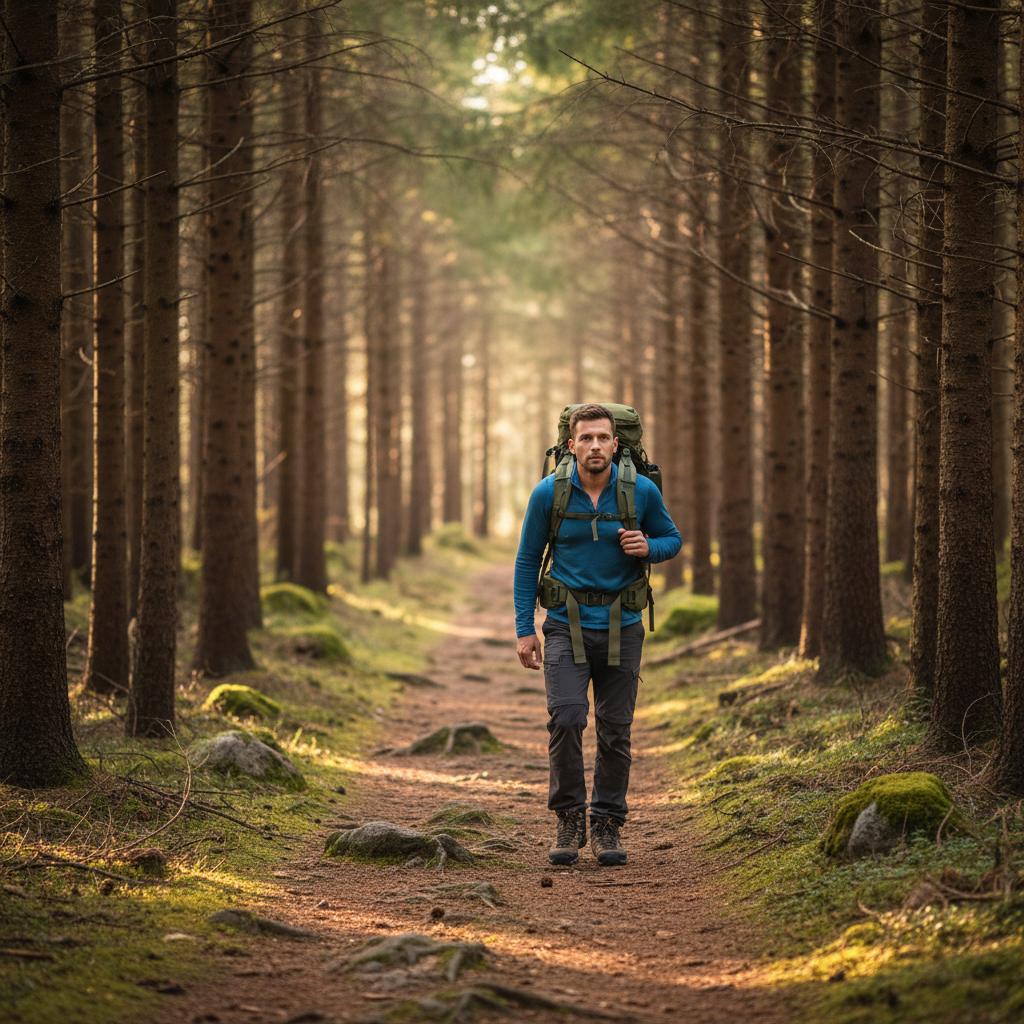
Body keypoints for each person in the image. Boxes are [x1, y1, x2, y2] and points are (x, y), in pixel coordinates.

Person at [514, 403, 681, 866]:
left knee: (615, 729)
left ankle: (607, 823)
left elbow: (673, 539)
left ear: (615, 443)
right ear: (571, 445)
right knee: (566, 718)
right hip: (565, 626)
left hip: (623, 627)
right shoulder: (548, 494)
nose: (594, 446)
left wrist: (650, 546)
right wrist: (523, 629)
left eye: (602, 438)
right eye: (585, 438)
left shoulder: (641, 491)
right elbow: (528, 561)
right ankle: (569, 817)